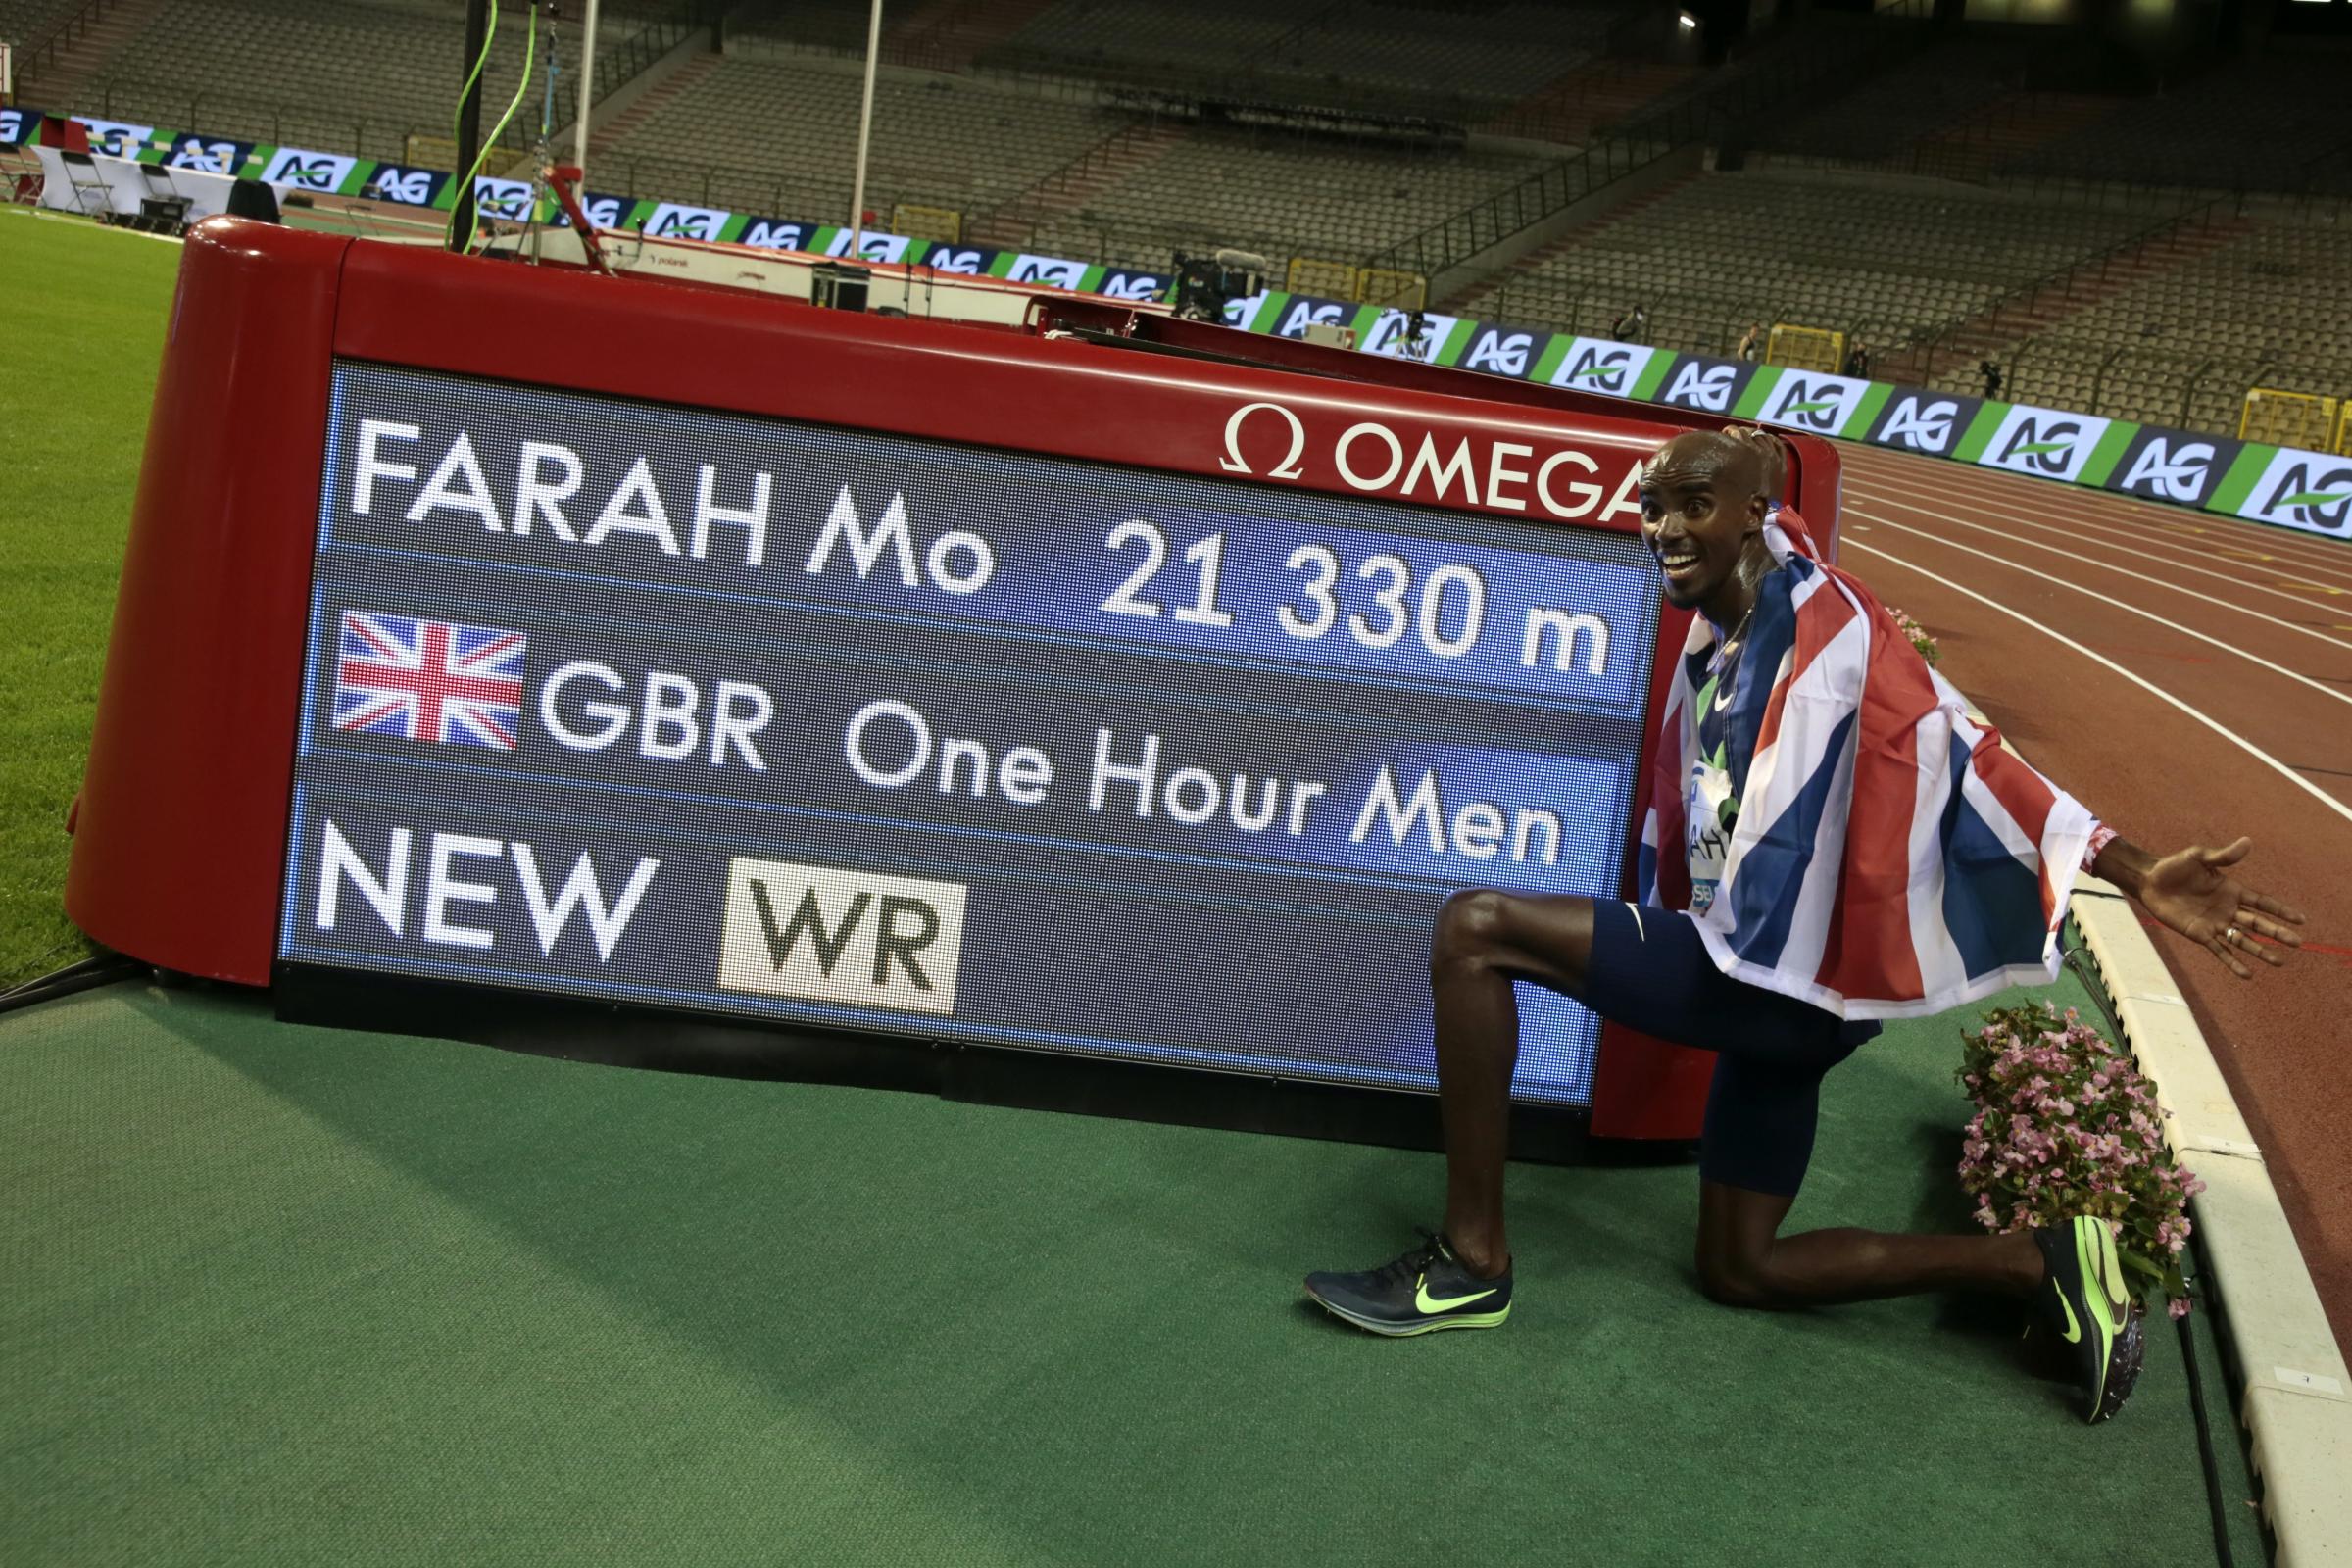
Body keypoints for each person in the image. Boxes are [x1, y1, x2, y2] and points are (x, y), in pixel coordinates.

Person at [1303, 425, 2305, 1424]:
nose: (1666, 528)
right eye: (1653, 508)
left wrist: (2131, 868)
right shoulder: (1728, 630)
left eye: (1695, 503)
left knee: (1473, 928)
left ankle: (1471, 1261)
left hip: (1774, 980)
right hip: (1788, 983)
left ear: (1755, 511)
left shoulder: (1827, 623)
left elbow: (1965, 743)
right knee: (1743, 1265)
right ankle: (2033, 1260)